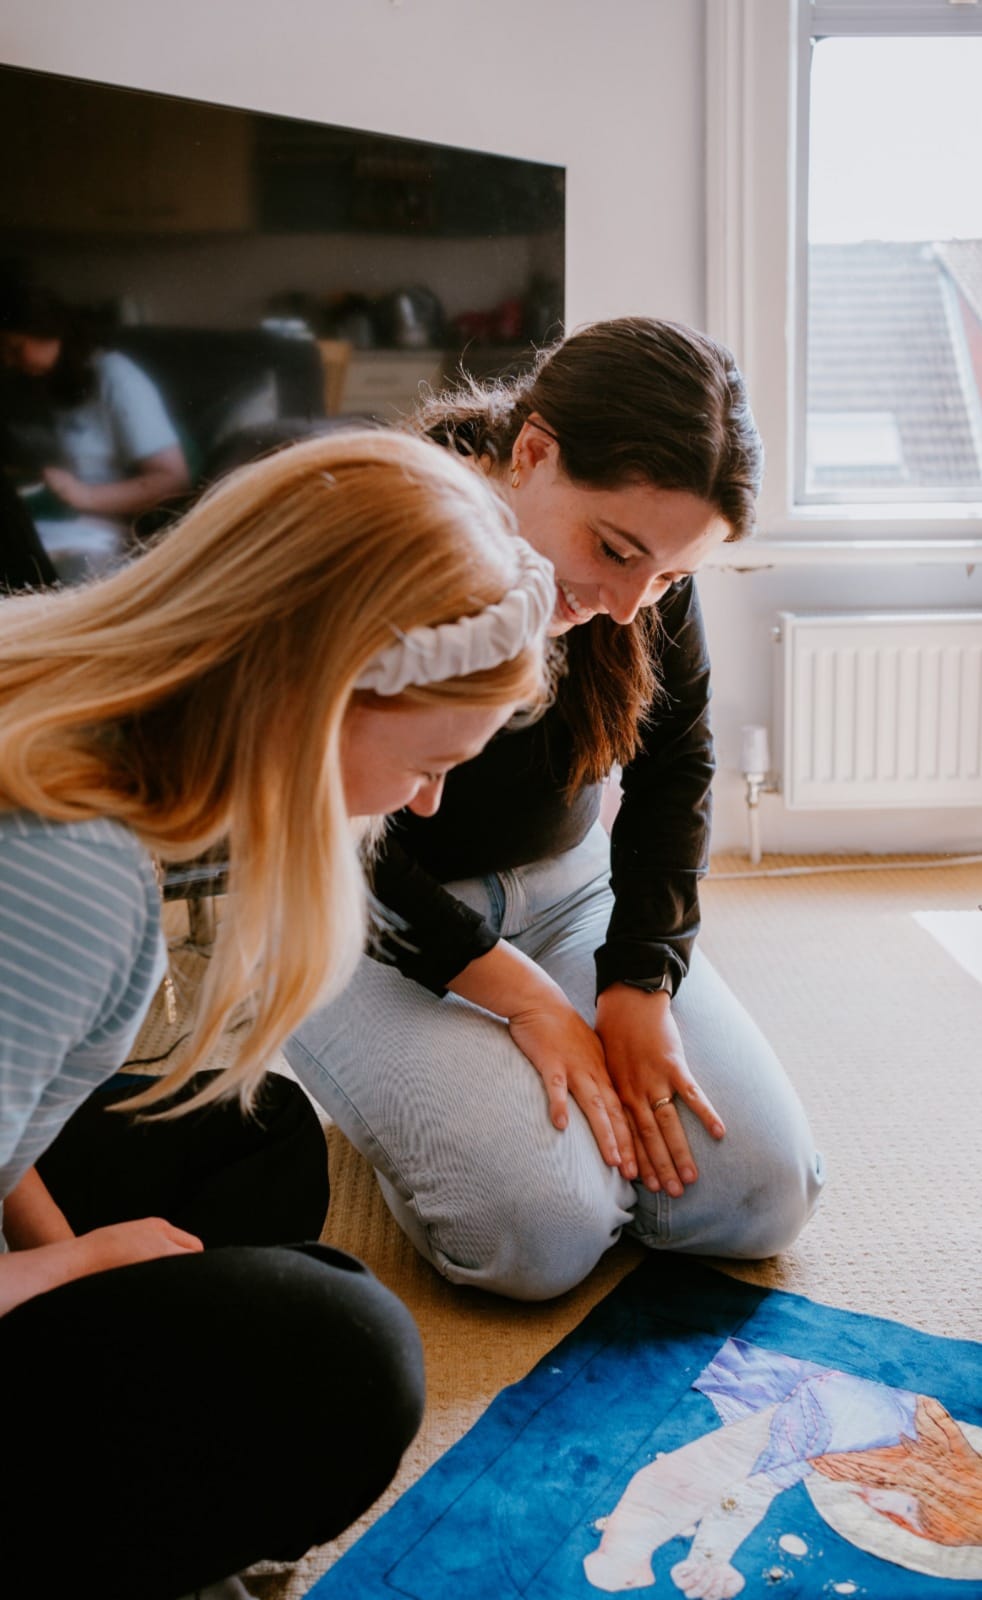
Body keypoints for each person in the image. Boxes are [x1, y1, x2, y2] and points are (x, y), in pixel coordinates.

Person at [0, 428, 553, 1600]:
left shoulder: (91, 727)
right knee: (348, 1355)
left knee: (252, 1131)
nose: (428, 798)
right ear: (318, 699)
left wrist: (60, 1249)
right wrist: (87, 1262)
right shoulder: (63, 868)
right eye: (427, 759)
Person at [285, 316, 825, 1302]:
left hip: (565, 895)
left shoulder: (640, 580)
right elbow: (318, 825)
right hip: (355, 921)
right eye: (614, 551)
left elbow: (678, 763)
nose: (631, 603)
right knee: (544, 1234)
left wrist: (638, 981)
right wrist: (529, 1001)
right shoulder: (377, 534)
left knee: (762, 1195)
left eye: (667, 576)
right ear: (530, 451)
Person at [0, 283, 190, 579]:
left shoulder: (117, 378)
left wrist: (84, 495)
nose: (8, 362)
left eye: (15, 348)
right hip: (56, 528)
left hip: (112, 535)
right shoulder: (40, 383)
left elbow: (172, 480)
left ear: (49, 330)